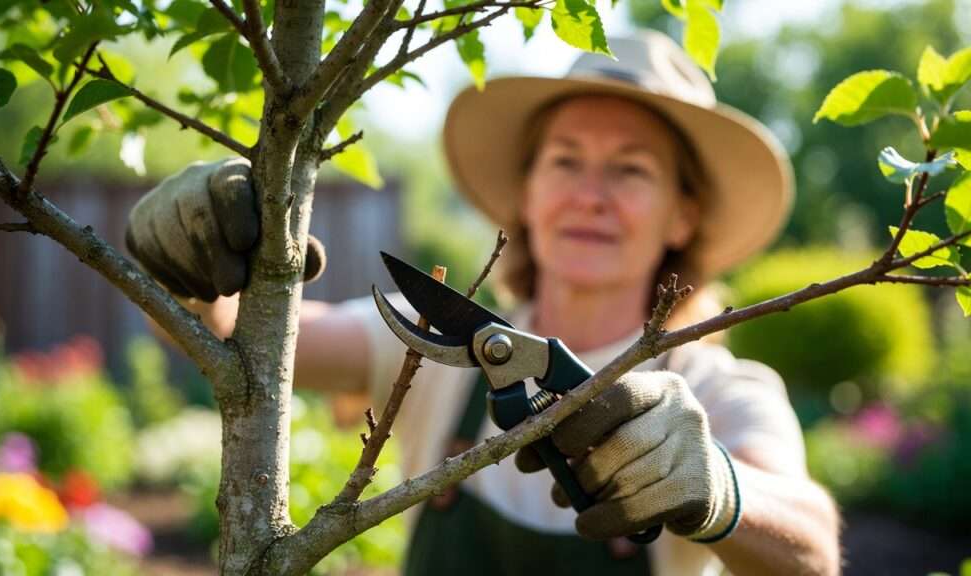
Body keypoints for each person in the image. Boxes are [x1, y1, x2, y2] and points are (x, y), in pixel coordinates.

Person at [126, 31, 840, 576]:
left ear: (683, 215)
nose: (590, 194)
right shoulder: (432, 351)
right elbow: (237, 339)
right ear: (526, 193)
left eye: (631, 170)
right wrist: (178, 260)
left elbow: (813, 549)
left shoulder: (722, 390)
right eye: (565, 160)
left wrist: (719, 489)